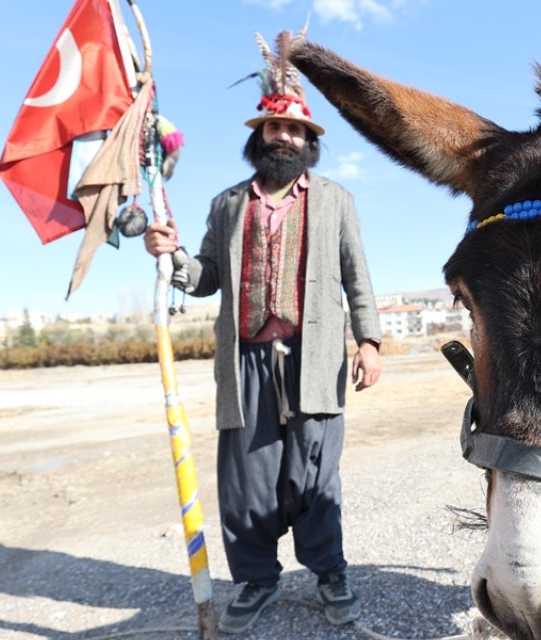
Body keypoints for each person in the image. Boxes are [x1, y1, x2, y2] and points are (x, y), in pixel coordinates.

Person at [143, 33, 382, 635]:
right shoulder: (227, 205)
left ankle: (329, 574)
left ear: (309, 143)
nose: (285, 138)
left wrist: (370, 341)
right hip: (246, 359)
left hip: (316, 354)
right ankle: (256, 580)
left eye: (296, 132)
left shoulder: (335, 201)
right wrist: (169, 256)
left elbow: (358, 276)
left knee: (314, 473)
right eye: (276, 131)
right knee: (247, 481)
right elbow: (204, 279)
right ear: (260, 138)